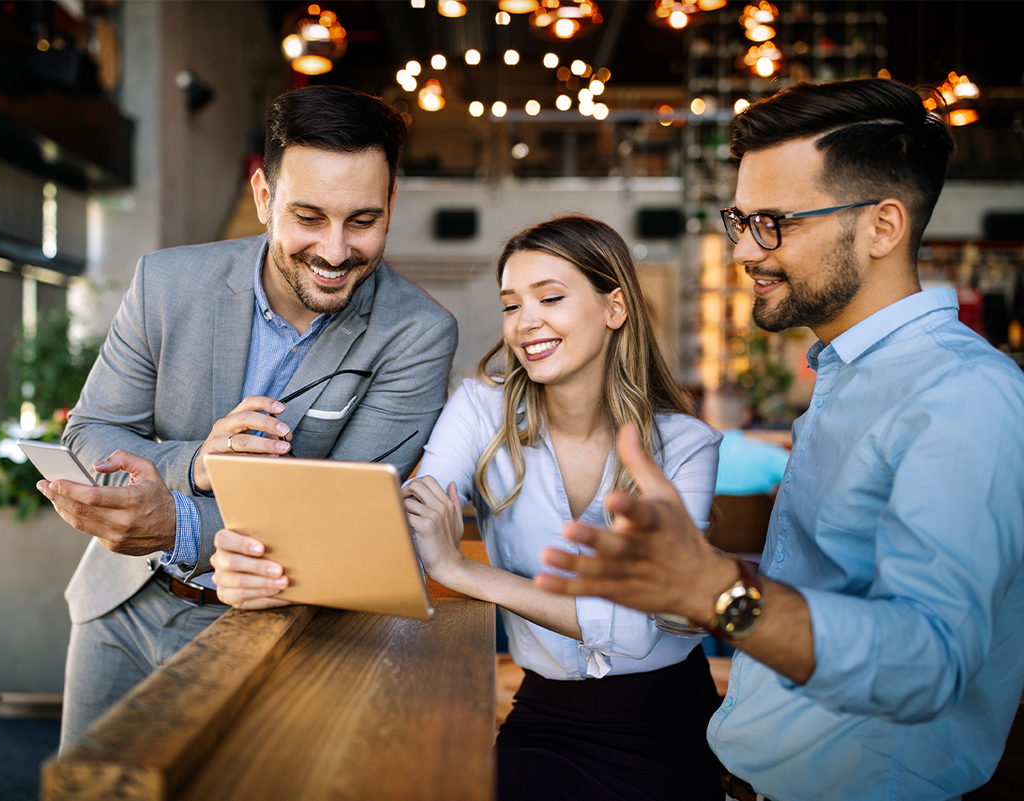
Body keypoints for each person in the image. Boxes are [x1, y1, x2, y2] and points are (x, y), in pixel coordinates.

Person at [536, 78, 1024, 801]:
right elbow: (834, 588)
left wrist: (718, 589)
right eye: (741, 220)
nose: (743, 251)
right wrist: (689, 575)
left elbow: (929, 661)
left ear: (882, 227)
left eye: (773, 224)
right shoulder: (851, 372)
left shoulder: (961, 396)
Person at [38, 85, 457, 751]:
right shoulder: (165, 283)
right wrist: (196, 465)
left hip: (275, 628)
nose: (335, 250)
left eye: (362, 220)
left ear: (391, 205)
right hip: (119, 608)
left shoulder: (418, 333)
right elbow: (91, 431)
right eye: (309, 217)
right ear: (263, 197)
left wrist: (176, 522)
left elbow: (340, 520)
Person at [402, 215, 724, 800]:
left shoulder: (685, 445)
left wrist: (462, 571)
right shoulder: (480, 409)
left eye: (550, 297)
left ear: (614, 307)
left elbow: (631, 631)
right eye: (510, 305)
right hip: (545, 714)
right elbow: (416, 519)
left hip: (669, 723)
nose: (526, 324)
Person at [702, 384, 788, 496]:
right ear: (748, 415)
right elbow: (804, 483)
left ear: (705, 413)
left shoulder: (689, 456)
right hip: (759, 514)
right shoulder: (771, 454)